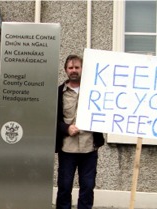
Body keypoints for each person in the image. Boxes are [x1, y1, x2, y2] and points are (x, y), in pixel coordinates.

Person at [55, 54, 105, 209]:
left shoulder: (94, 91)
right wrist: (66, 128)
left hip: (89, 148)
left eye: (77, 67)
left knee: (88, 187)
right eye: (71, 68)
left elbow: (105, 114)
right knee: (64, 187)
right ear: (65, 70)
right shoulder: (58, 93)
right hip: (67, 149)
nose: (74, 70)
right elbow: (51, 118)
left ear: (82, 69)